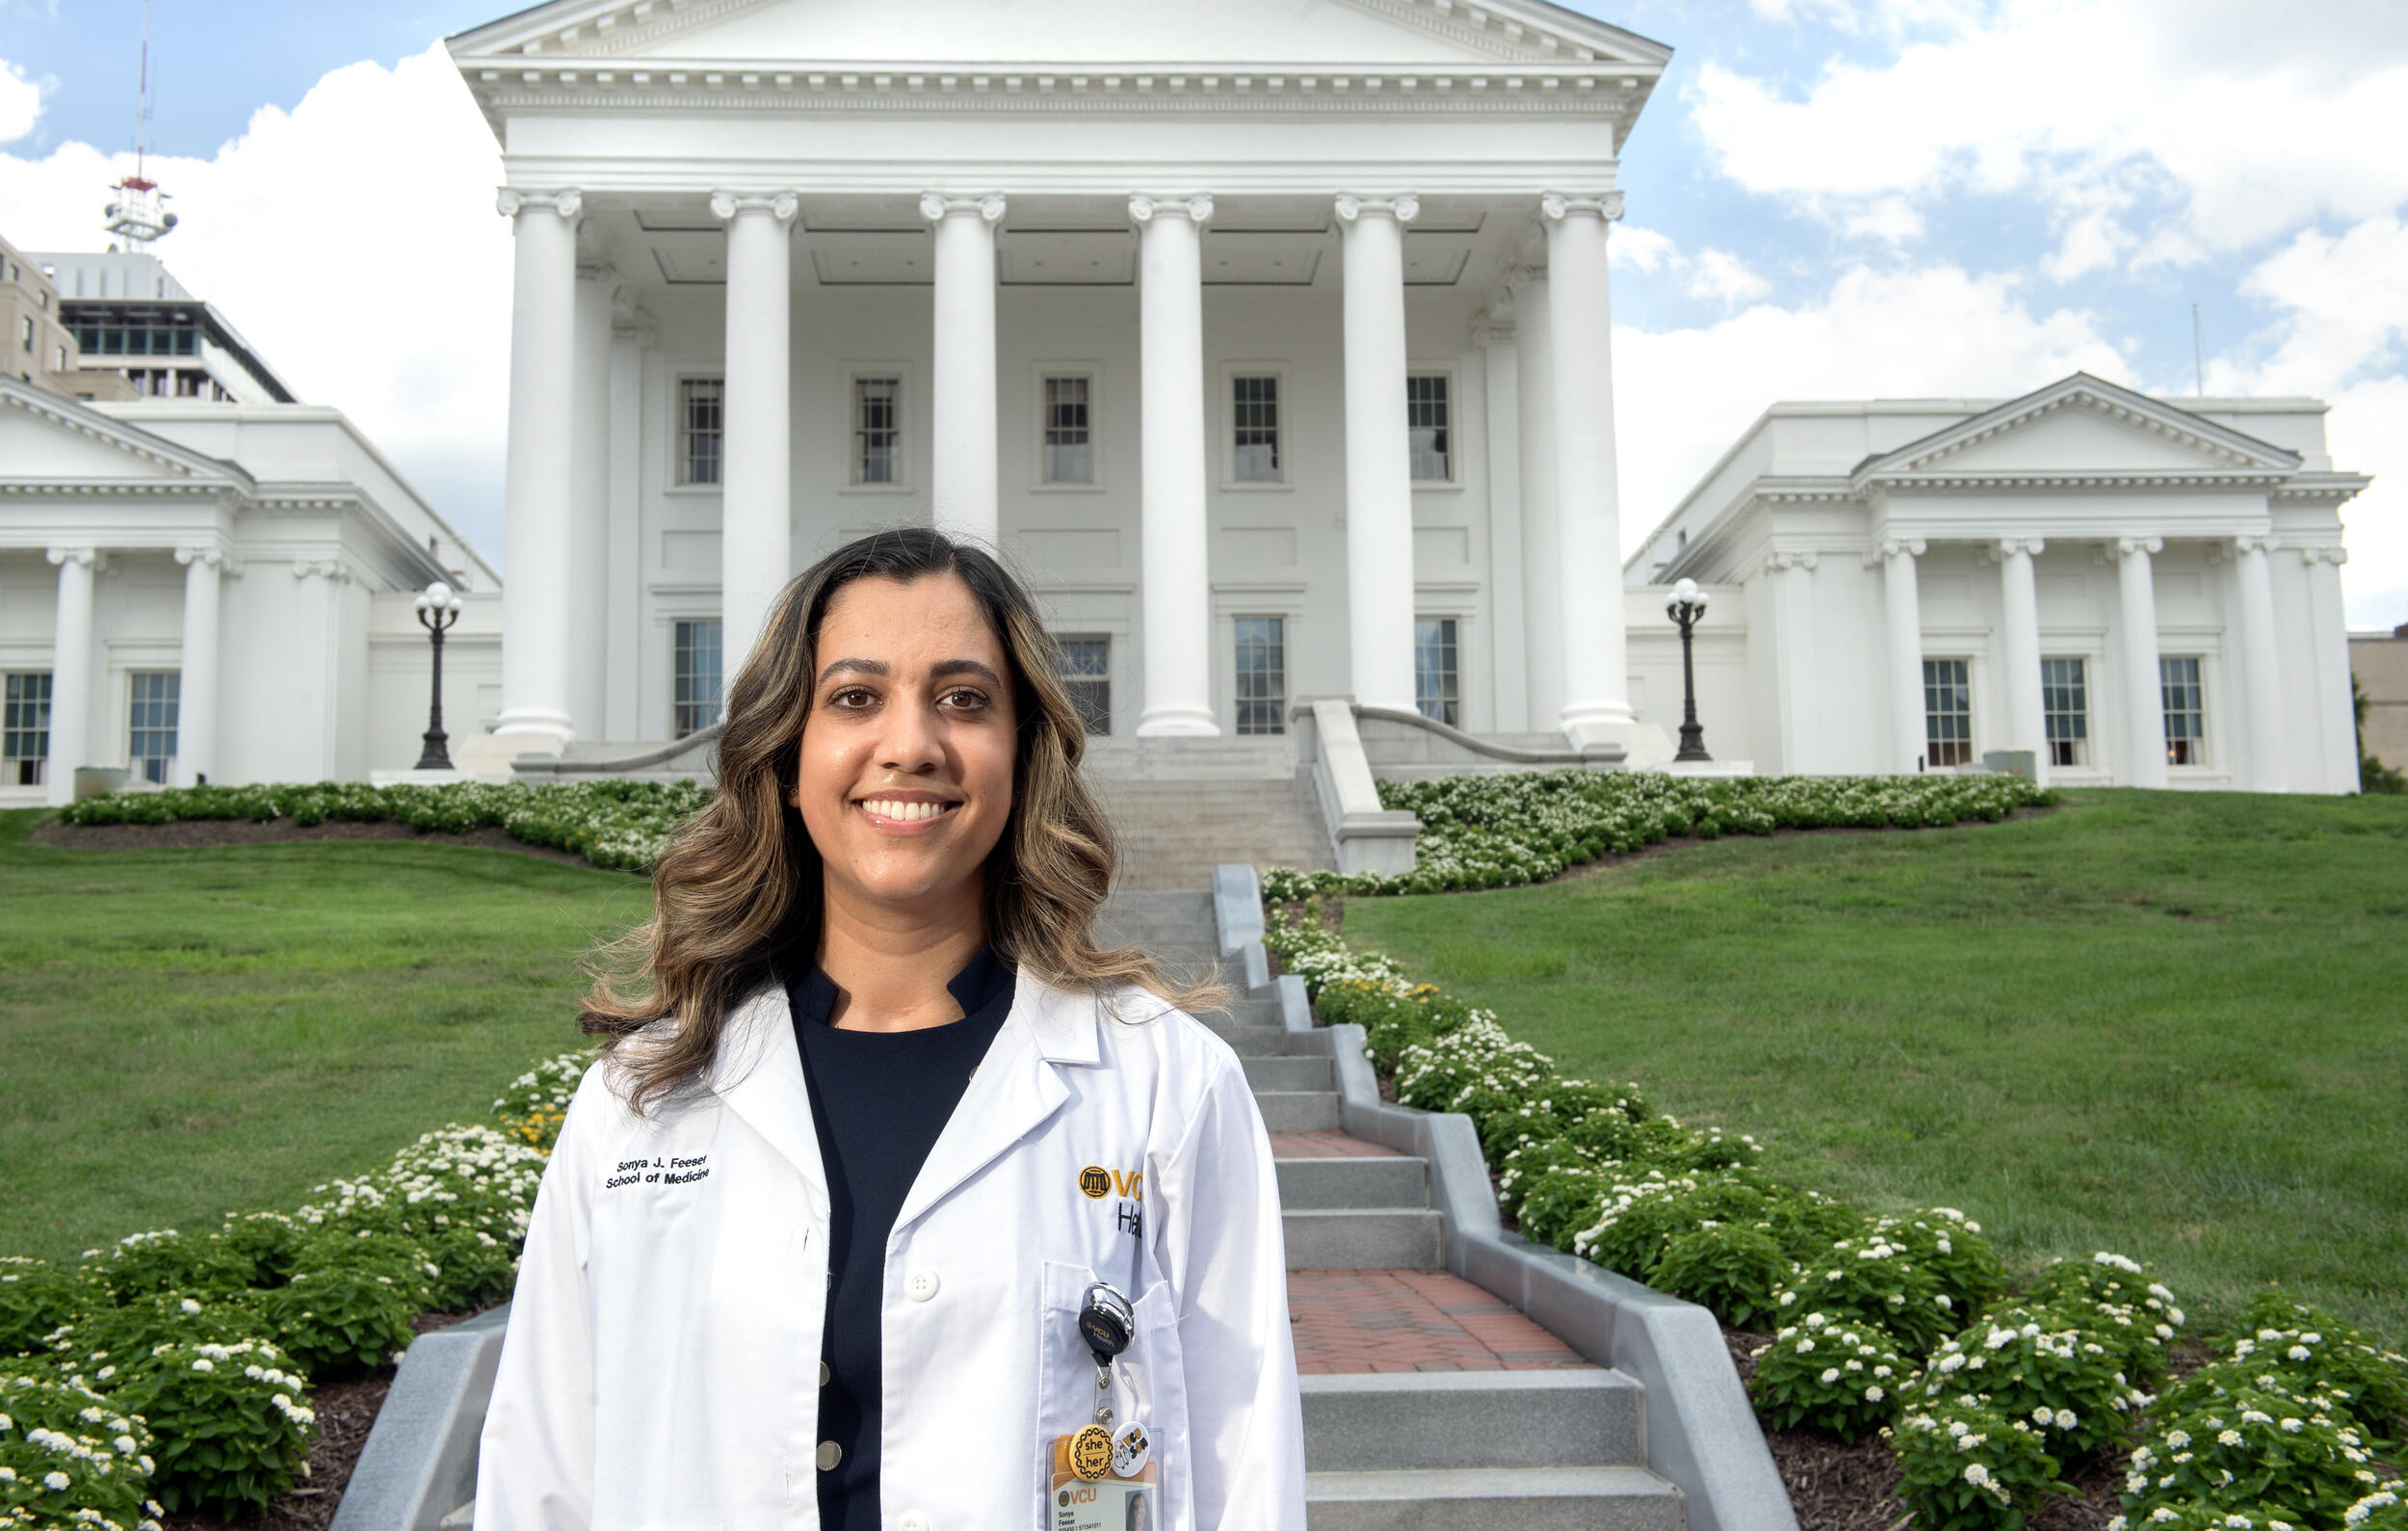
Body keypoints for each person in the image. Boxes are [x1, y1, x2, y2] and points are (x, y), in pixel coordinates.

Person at [474, 528, 1306, 1530]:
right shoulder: (640, 1098)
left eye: (963, 698)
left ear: (1022, 751)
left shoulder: (1167, 1085)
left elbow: (1243, 1473)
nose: (911, 742)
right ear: (788, 755)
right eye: (855, 697)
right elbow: (542, 1478)